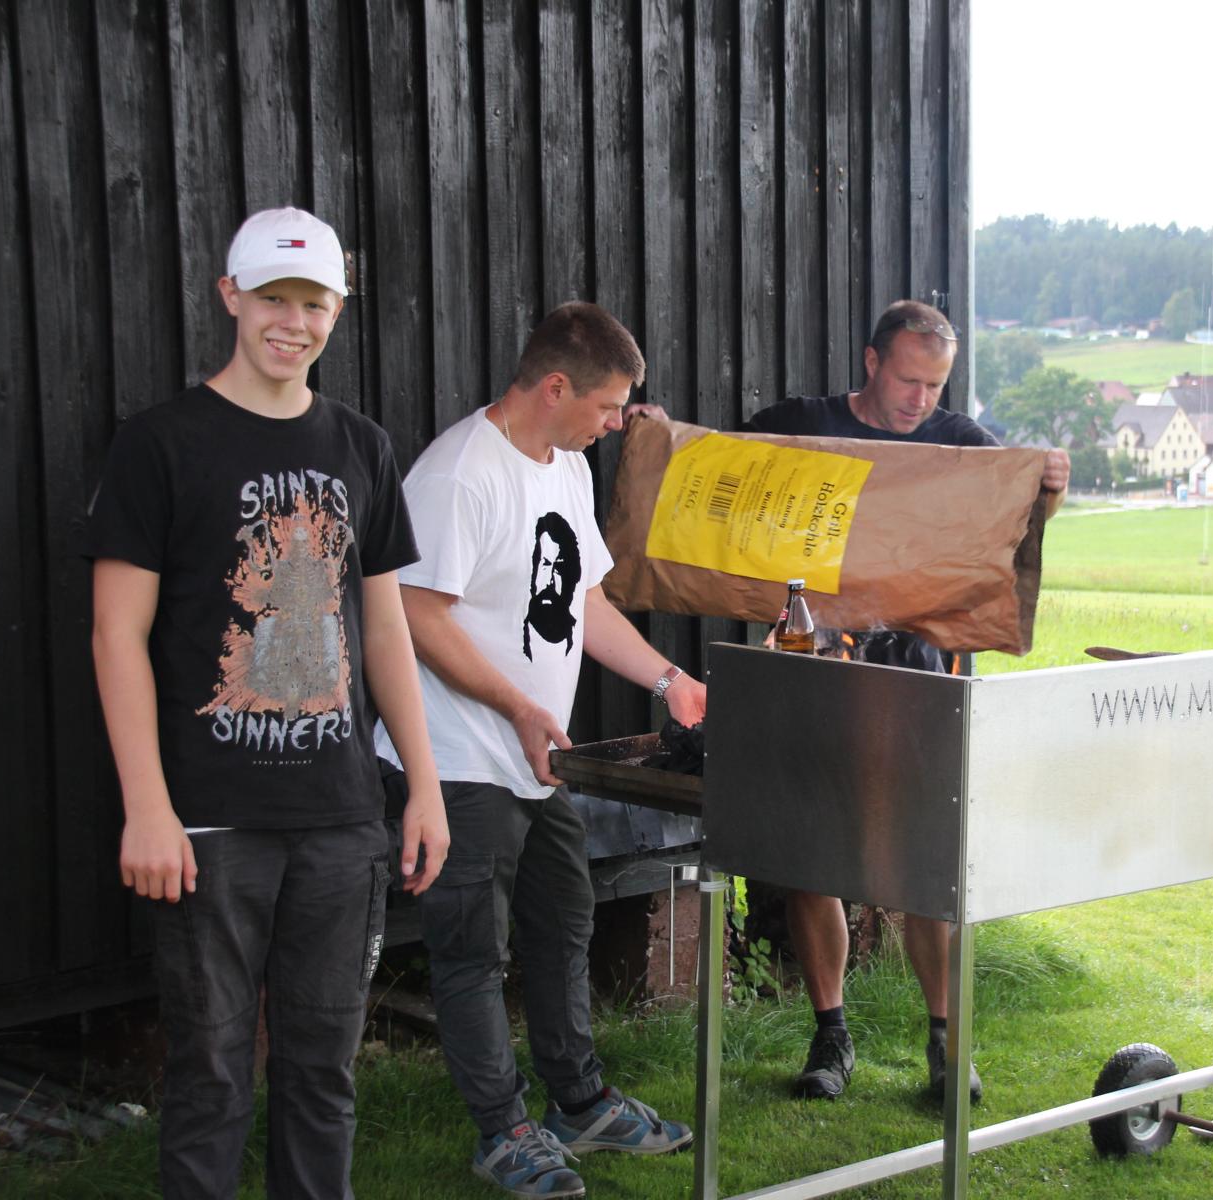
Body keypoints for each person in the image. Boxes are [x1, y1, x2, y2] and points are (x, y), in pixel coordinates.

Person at [84, 206, 449, 1199]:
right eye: (274, 298)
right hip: (208, 821)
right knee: (209, 1076)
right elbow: (116, 634)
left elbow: (384, 631)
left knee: (323, 1073)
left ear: (339, 311)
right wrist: (147, 807)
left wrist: (422, 785)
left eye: (315, 303)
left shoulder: (362, 446)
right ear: (231, 297)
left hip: (340, 816)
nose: (294, 321)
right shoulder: (159, 444)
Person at [373, 302, 705, 1199]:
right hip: (454, 761)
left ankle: (578, 1102)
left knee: (563, 918)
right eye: (608, 406)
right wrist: (518, 705)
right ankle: (501, 1131)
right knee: (471, 952)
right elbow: (414, 615)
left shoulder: (563, 465)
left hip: (531, 759)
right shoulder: (459, 474)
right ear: (555, 387)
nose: (617, 423)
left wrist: (669, 678)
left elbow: (586, 601)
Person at [743, 299, 1070, 1104]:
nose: (921, 399)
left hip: (925, 678)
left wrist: (1052, 492)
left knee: (929, 866)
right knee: (813, 859)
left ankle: (947, 1044)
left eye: (935, 385)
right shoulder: (804, 425)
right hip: (816, 671)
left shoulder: (963, 446)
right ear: (871, 362)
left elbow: (1017, 525)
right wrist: (656, 436)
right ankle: (831, 1035)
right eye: (907, 380)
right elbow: (714, 472)